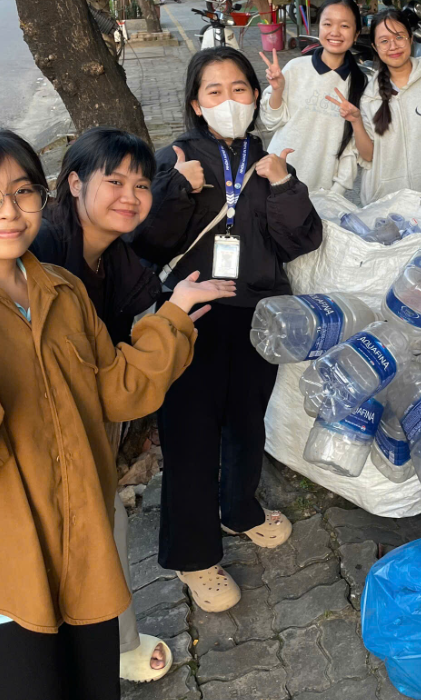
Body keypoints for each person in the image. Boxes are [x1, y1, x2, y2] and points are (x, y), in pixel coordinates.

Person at [0, 124, 233, 700]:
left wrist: (174, 317)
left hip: (81, 550)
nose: (7, 210)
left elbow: (117, 390)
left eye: (23, 191)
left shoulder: (60, 289)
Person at [132, 47, 323, 614]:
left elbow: (301, 240)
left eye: (239, 89)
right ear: (196, 103)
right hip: (191, 316)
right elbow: (148, 243)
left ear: (256, 96)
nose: (229, 101)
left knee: (246, 423)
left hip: (256, 314)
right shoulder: (176, 160)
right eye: (214, 92)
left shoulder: (269, 158)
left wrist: (285, 185)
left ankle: (239, 510)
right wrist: (175, 190)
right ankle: (194, 557)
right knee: (191, 436)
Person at [29, 127, 174, 685]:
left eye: (141, 184)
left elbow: (146, 310)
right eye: (113, 181)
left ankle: (117, 643)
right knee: (70, 542)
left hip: (83, 424)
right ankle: (88, 652)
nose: (130, 196)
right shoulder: (40, 248)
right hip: (37, 431)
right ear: (73, 182)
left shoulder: (114, 254)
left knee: (104, 525)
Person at [326, 7, 421, 205]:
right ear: (375, 46)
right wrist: (356, 121)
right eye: (384, 41)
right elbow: (368, 155)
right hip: (382, 203)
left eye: (399, 37)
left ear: (410, 38)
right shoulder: (369, 95)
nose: (393, 46)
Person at [259, 0, 367, 195]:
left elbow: (351, 147)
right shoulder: (296, 68)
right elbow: (271, 122)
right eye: (328, 24)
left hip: (322, 189)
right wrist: (277, 90)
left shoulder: (361, 83)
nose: (335, 32)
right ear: (318, 28)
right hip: (276, 175)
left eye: (344, 26)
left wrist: (338, 190)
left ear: (356, 33)